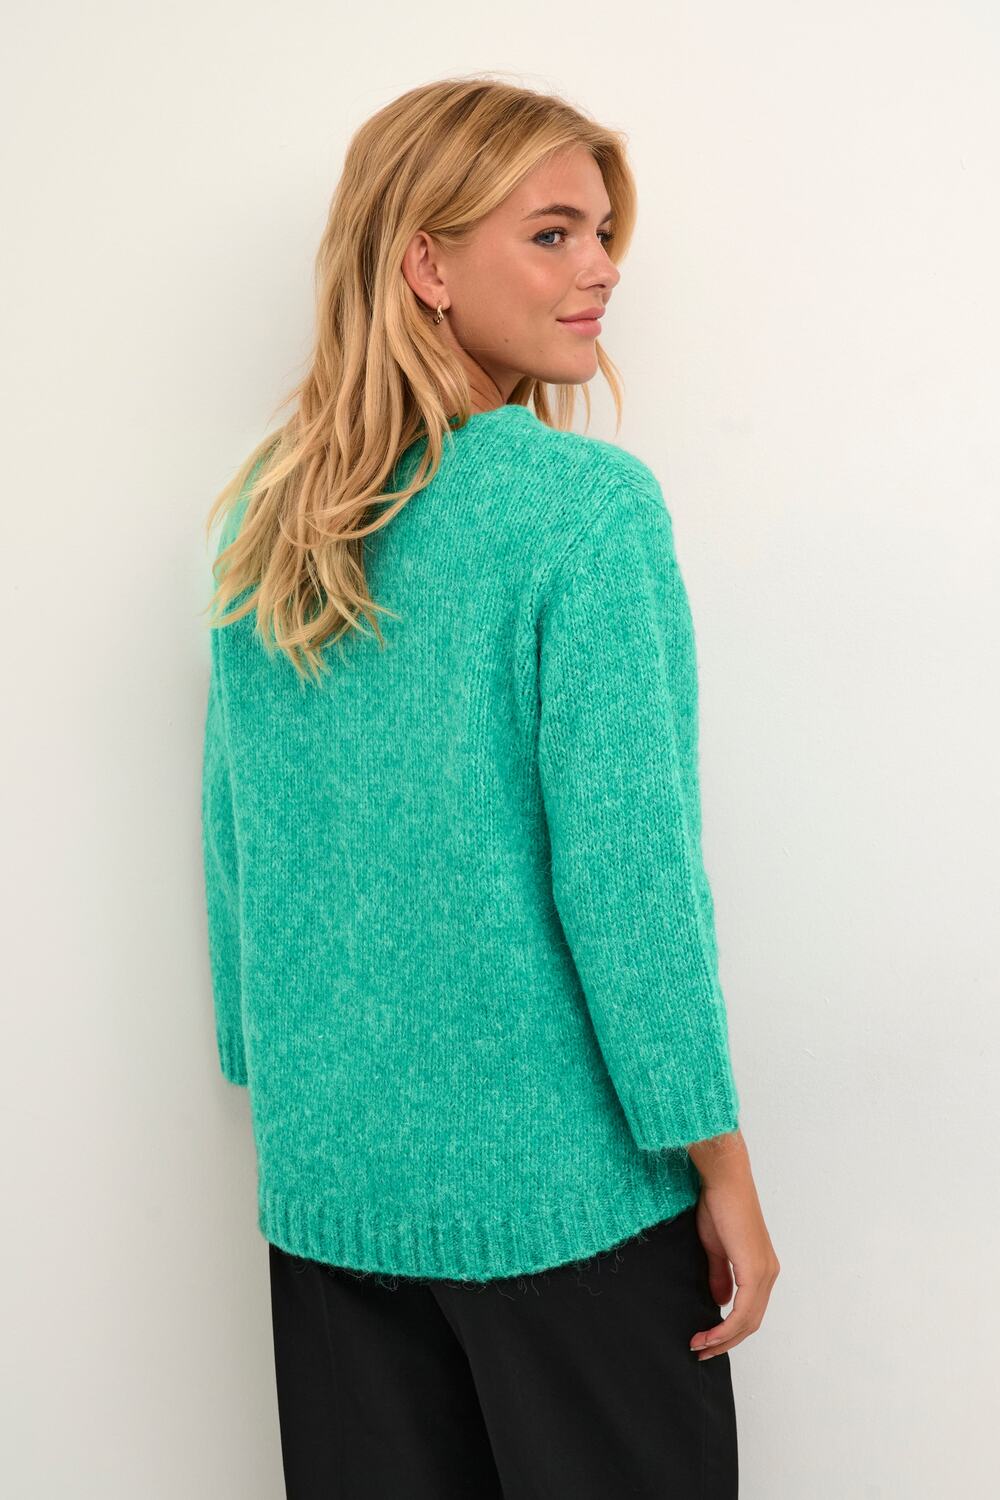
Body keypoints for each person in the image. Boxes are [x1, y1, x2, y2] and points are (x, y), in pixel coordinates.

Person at [200, 75, 780, 1499]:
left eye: (604, 233)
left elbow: (239, 843)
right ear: (427, 264)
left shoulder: (274, 510)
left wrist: (284, 1079)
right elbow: (631, 880)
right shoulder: (583, 513)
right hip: (563, 1211)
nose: (603, 268)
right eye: (554, 232)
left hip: (330, 1198)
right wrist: (719, 1162)